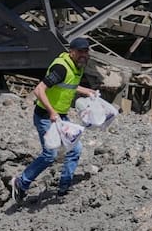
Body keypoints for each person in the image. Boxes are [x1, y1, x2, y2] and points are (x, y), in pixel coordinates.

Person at [11, 37, 98, 202]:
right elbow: (39, 90)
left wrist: (86, 91)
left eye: (86, 51)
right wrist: (51, 112)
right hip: (46, 116)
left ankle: (64, 188)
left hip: (61, 116)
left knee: (75, 149)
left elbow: (67, 85)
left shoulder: (76, 67)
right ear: (71, 52)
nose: (84, 55)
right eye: (80, 52)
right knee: (50, 154)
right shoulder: (61, 68)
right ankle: (21, 182)